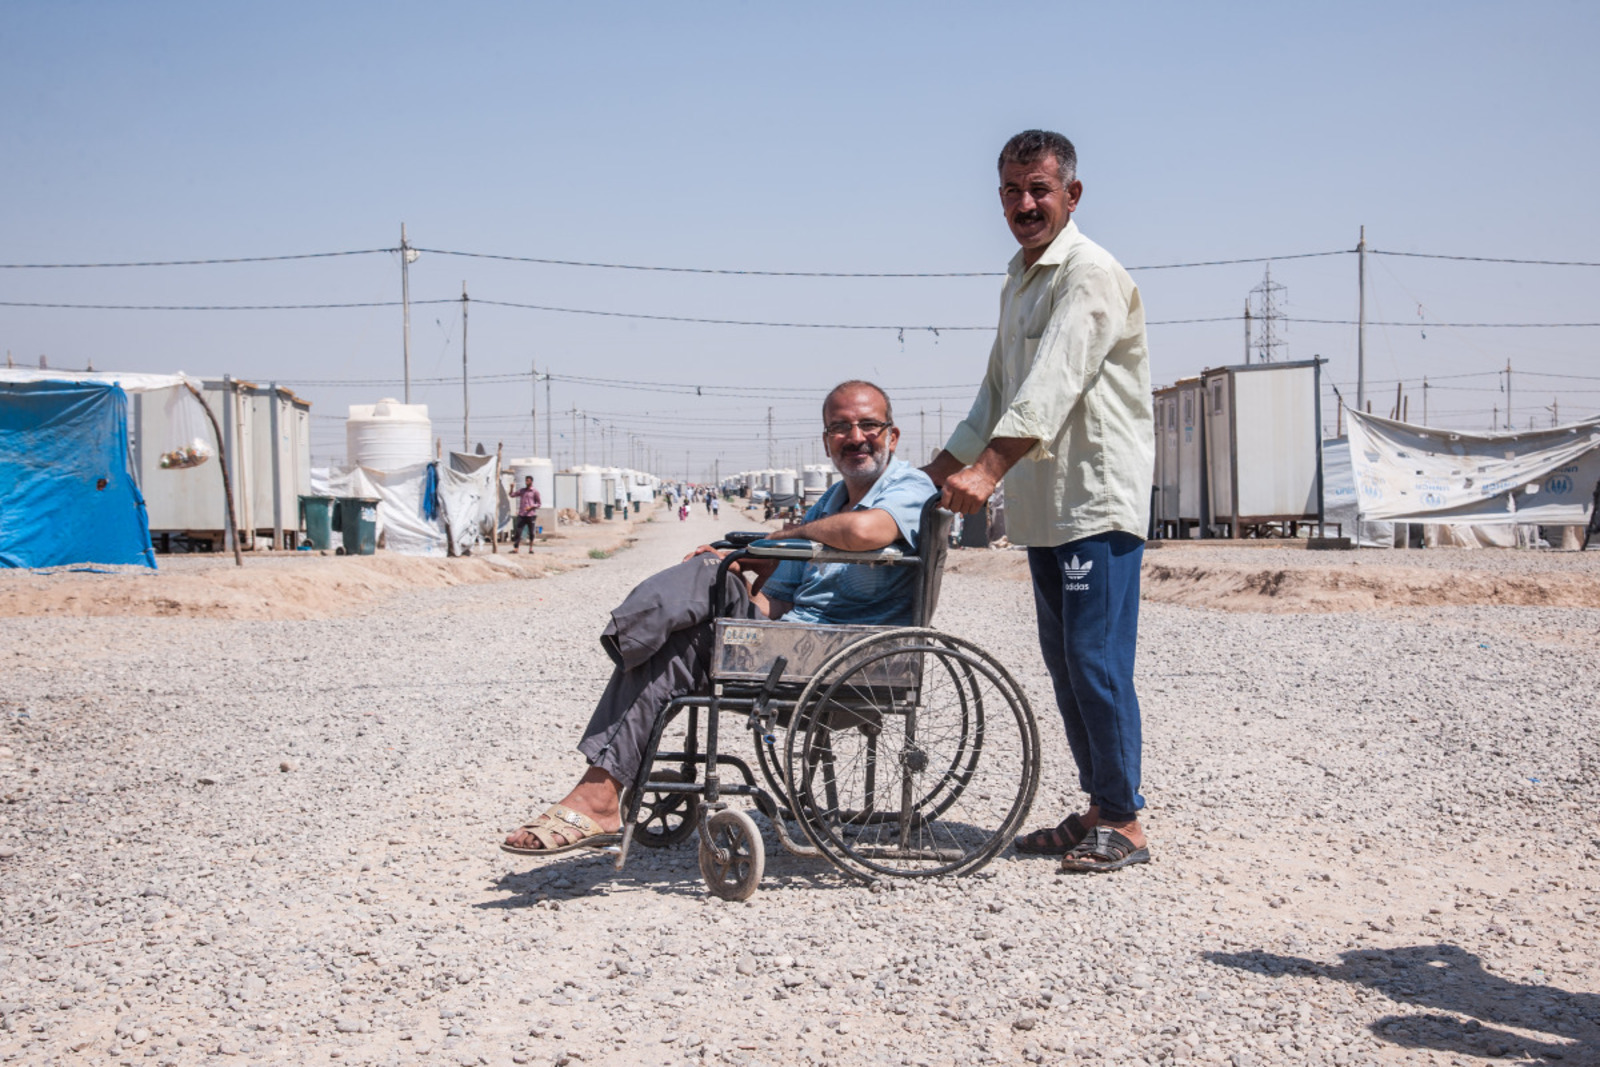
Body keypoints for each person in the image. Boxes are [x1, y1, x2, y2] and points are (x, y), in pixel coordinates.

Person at [502, 381, 935, 854]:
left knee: (691, 619)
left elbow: (863, 529)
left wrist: (782, 537)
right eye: (840, 427)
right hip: (797, 639)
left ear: (892, 435)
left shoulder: (909, 487)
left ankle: (606, 762)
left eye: (868, 425)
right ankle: (604, 773)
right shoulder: (830, 501)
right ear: (827, 440)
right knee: (713, 570)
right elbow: (777, 601)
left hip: (850, 654)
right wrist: (737, 586)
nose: (856, 437)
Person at [924, 130, 1155, 874]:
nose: (1026, 205)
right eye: (1013, 192)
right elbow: (997, 391)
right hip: (1046, 506)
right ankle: (1098, 806)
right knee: (1064, 661)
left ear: (1071, 195)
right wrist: (933, 475)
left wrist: (988, 471)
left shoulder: (1089, 273)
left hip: (1095, 499)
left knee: (1096, 660)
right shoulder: (1018, 279)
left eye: (1040, 190)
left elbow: (1051, 383)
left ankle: (1125, 820)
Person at [510, 476, 541, 552]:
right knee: (518, 531)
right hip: (522, 514)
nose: (526, 482)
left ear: (531, 482)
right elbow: (512, 495)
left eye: (528, 481)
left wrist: (531, 507)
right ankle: (516, 548)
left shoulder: (535, 492)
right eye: (526, 480)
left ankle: (530, 548)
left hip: (531, 515)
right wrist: (511, 488)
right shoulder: (522, 491)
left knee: (531, 533)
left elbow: (539, 504)